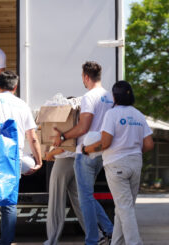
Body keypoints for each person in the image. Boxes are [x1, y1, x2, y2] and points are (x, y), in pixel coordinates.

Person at [0, 71, 43, 245]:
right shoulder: (22, 105)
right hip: (13, 157)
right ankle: (6, 242)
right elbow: (32, 137)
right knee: (9, 202)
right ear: (15, 87)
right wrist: (39, 160)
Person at [83, 81, 154, 245]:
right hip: (135, 163)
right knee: (123, 208)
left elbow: (105, 143)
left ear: (114, 97)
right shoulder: (138, 114)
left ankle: (134, 243)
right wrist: (133, 150)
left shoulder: (112, 114)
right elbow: (149, 144)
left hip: (116, 164)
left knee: (124, 208)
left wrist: (88, 149)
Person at [52, 61, 114, 245]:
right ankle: (110, 230)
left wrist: (63, 137)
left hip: (85, 152)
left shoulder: (89, 97)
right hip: (102, 151)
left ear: (86, 77)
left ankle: (93, 240)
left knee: (84, 197)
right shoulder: (110, 97)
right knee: (86, 195)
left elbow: (84, 127)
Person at [43, 147, 87, 245]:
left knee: (56, 201)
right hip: (78, 159)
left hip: (63, 159)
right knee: (80, 202)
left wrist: (50, 153)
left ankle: (52, 239)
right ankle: (97, 235)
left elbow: (63, 146)